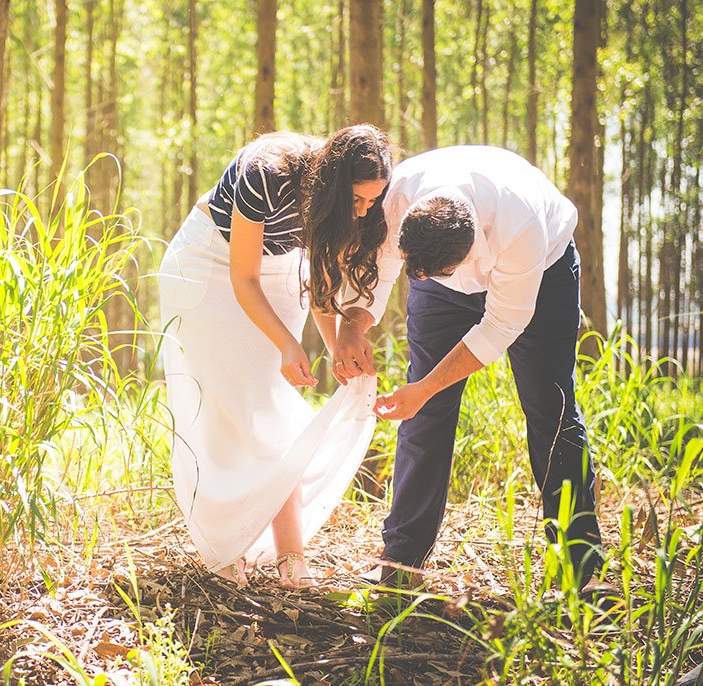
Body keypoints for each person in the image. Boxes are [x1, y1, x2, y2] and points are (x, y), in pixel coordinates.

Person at [331, 145, 603, 588]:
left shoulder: (519, 227)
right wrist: (353, 324)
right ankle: (402, 562)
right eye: (415, 270)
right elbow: (377, 264)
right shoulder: (397, 197)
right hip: (441, 281)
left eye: (436, 271)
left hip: (544, 272)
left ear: (472, 247)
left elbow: (500, 327)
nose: (419, 279)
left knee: (550, 409)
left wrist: (425, 387)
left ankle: (582, 570)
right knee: (423, 414)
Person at [159, 125, 392, 588]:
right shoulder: (267, 171)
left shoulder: (342, 206)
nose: (364, 211)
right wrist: (287, 343)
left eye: (373, 201)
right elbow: (243, 278)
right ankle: (227, 547)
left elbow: (322, 283)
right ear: (333, 183)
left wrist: (337, 351)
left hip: (282, 265)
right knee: (227, 408)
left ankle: (290, 555)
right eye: (357, 199)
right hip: (211, 263)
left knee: (271, 403)